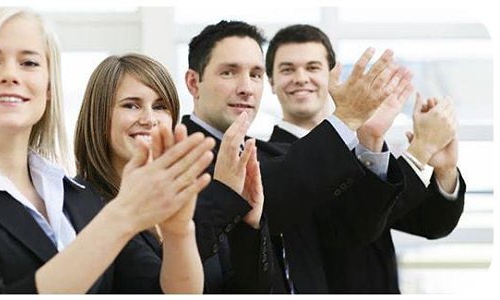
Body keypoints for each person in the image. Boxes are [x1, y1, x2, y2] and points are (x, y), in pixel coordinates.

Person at [0, 7, 213, 294]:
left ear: (49, 87)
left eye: (29, 62)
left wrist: (178, 231)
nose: (10, 75)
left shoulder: (78, 196)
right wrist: (124, 215)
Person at [183, 20, 409, 293]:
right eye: (229, 72)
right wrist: (346, 118)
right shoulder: (179, 155)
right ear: (194, 83)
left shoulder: (268, 152)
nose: (246, 88)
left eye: (255, 74)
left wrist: (370, 137)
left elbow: (353, 227)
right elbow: (275, 192)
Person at [265, 24, 466, 293]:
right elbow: (352, 224)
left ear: (332, 75)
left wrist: (445, 169)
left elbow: (431, 224)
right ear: (271, 82)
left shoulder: (364, 152)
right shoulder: (268, 162)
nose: (301, 78)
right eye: (287, 69)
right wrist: (419, 152)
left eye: (313, 67)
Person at [73, 53, 273, 293]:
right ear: (99, 116)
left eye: (159, 107)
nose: (149, 119)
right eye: (131, 105)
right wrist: (223, 197)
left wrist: (247, 224)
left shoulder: (188, 199)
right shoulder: (81, 206)